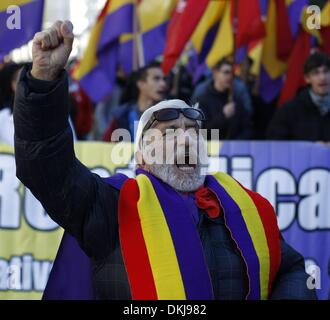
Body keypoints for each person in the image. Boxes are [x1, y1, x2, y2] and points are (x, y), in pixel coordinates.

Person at [14, 21, 316, 300]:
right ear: (143, 154)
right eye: (170, 133)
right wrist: (43, 82)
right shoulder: (110, 205)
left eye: (193, 132)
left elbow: (291, 270)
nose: (185, 139)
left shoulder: (243, 205)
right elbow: (46, 165)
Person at [267, 52, 330, 142]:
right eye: (316, 73)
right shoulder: (289, 110)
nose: (322, 77)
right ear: (307, 78)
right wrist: (312, 148)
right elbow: (275, 142)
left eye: (326, 71)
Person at [102, 61, 167, 142]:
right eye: (156, 79)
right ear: (141, 84)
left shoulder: (170, 115)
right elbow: (105, 146)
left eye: (164, 79)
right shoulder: (122, 115)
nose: (163, 84)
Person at [194, 58, 252, 140]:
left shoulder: (236, 101)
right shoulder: (202, 101)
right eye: (226, 72)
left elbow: (247, 129)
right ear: (215, 73)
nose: (230, 77)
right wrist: (223, 116)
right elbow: (202, 132)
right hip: (212, 150)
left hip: (235, 151)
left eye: (232, 74)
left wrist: (235, 145)